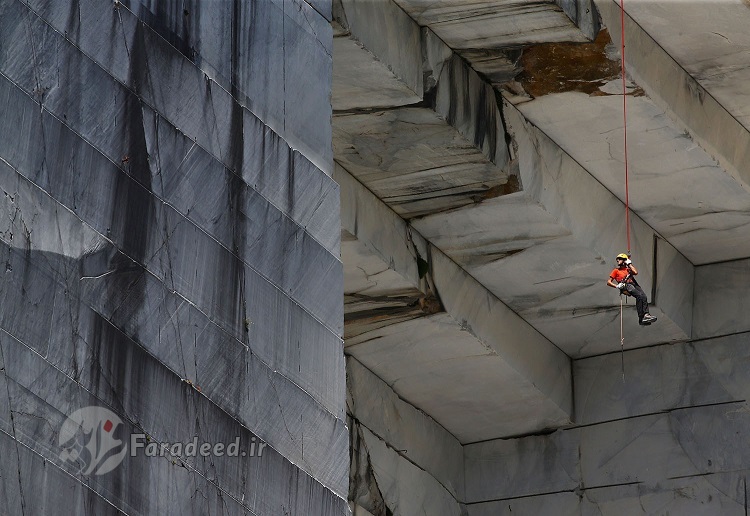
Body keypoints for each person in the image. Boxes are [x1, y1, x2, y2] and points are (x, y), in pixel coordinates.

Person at [607, 253, 657, 325]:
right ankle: (641, 316)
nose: (617, 260)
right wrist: (617, 286)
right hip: (626, 285)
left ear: (624, 260)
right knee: (639, 296)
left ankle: (646, 315)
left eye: (619, 259)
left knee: (644, 296)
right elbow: (608, 282)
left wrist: (629, 264)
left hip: (633, 284)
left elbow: (635, 272)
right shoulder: (616, 271)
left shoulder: (628, 269)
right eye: (617, 259)